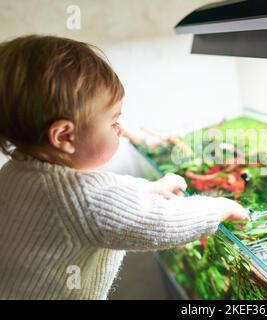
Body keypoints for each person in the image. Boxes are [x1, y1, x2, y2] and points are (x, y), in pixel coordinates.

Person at [0, 35, 249, 299]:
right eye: (112, 122)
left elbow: (107, 190)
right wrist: (220, 208)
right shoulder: (80, 198)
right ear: (64, 137)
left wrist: (151, 188)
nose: (119, 130)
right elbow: (161, 224)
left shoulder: (16, 172)